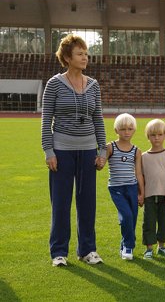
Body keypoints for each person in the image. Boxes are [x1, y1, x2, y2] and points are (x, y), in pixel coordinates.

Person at [41, 34, 106, 267]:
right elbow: (46, 119)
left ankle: (87, 250)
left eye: (86, 53)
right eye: (80, 54)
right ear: (67, 57)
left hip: (88, 151)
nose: (85, 57)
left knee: (87, 202)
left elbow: (98, 118)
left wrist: (102, 150)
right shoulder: (54, 84)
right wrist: (49, 151)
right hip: (62, 151)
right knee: (61, 202)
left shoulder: (93, 85)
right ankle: (59, 252)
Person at [106, 113, 144, 261]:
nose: (126, 132)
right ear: (116, 130)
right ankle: (129, 246)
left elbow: (139, 173)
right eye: (122, 129)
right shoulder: (110, 147)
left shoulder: (136, 151)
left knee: (132, 218)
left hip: (132, 187)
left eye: (130, 129)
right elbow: (101, 163)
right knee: (126, 216)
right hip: (116, 188)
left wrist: (142, 193)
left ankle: (123, 244)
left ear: (134, 130)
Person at [141, 119, 165, 259]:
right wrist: (141, 194)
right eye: (153, 135)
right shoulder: (143, 157)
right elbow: (141, 178)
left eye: (159, 134)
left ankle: (161, 246)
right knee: (149, 222)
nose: (156, 138)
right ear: (148, 137)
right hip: (149, 196)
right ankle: (149, 249)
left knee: (164, 223)